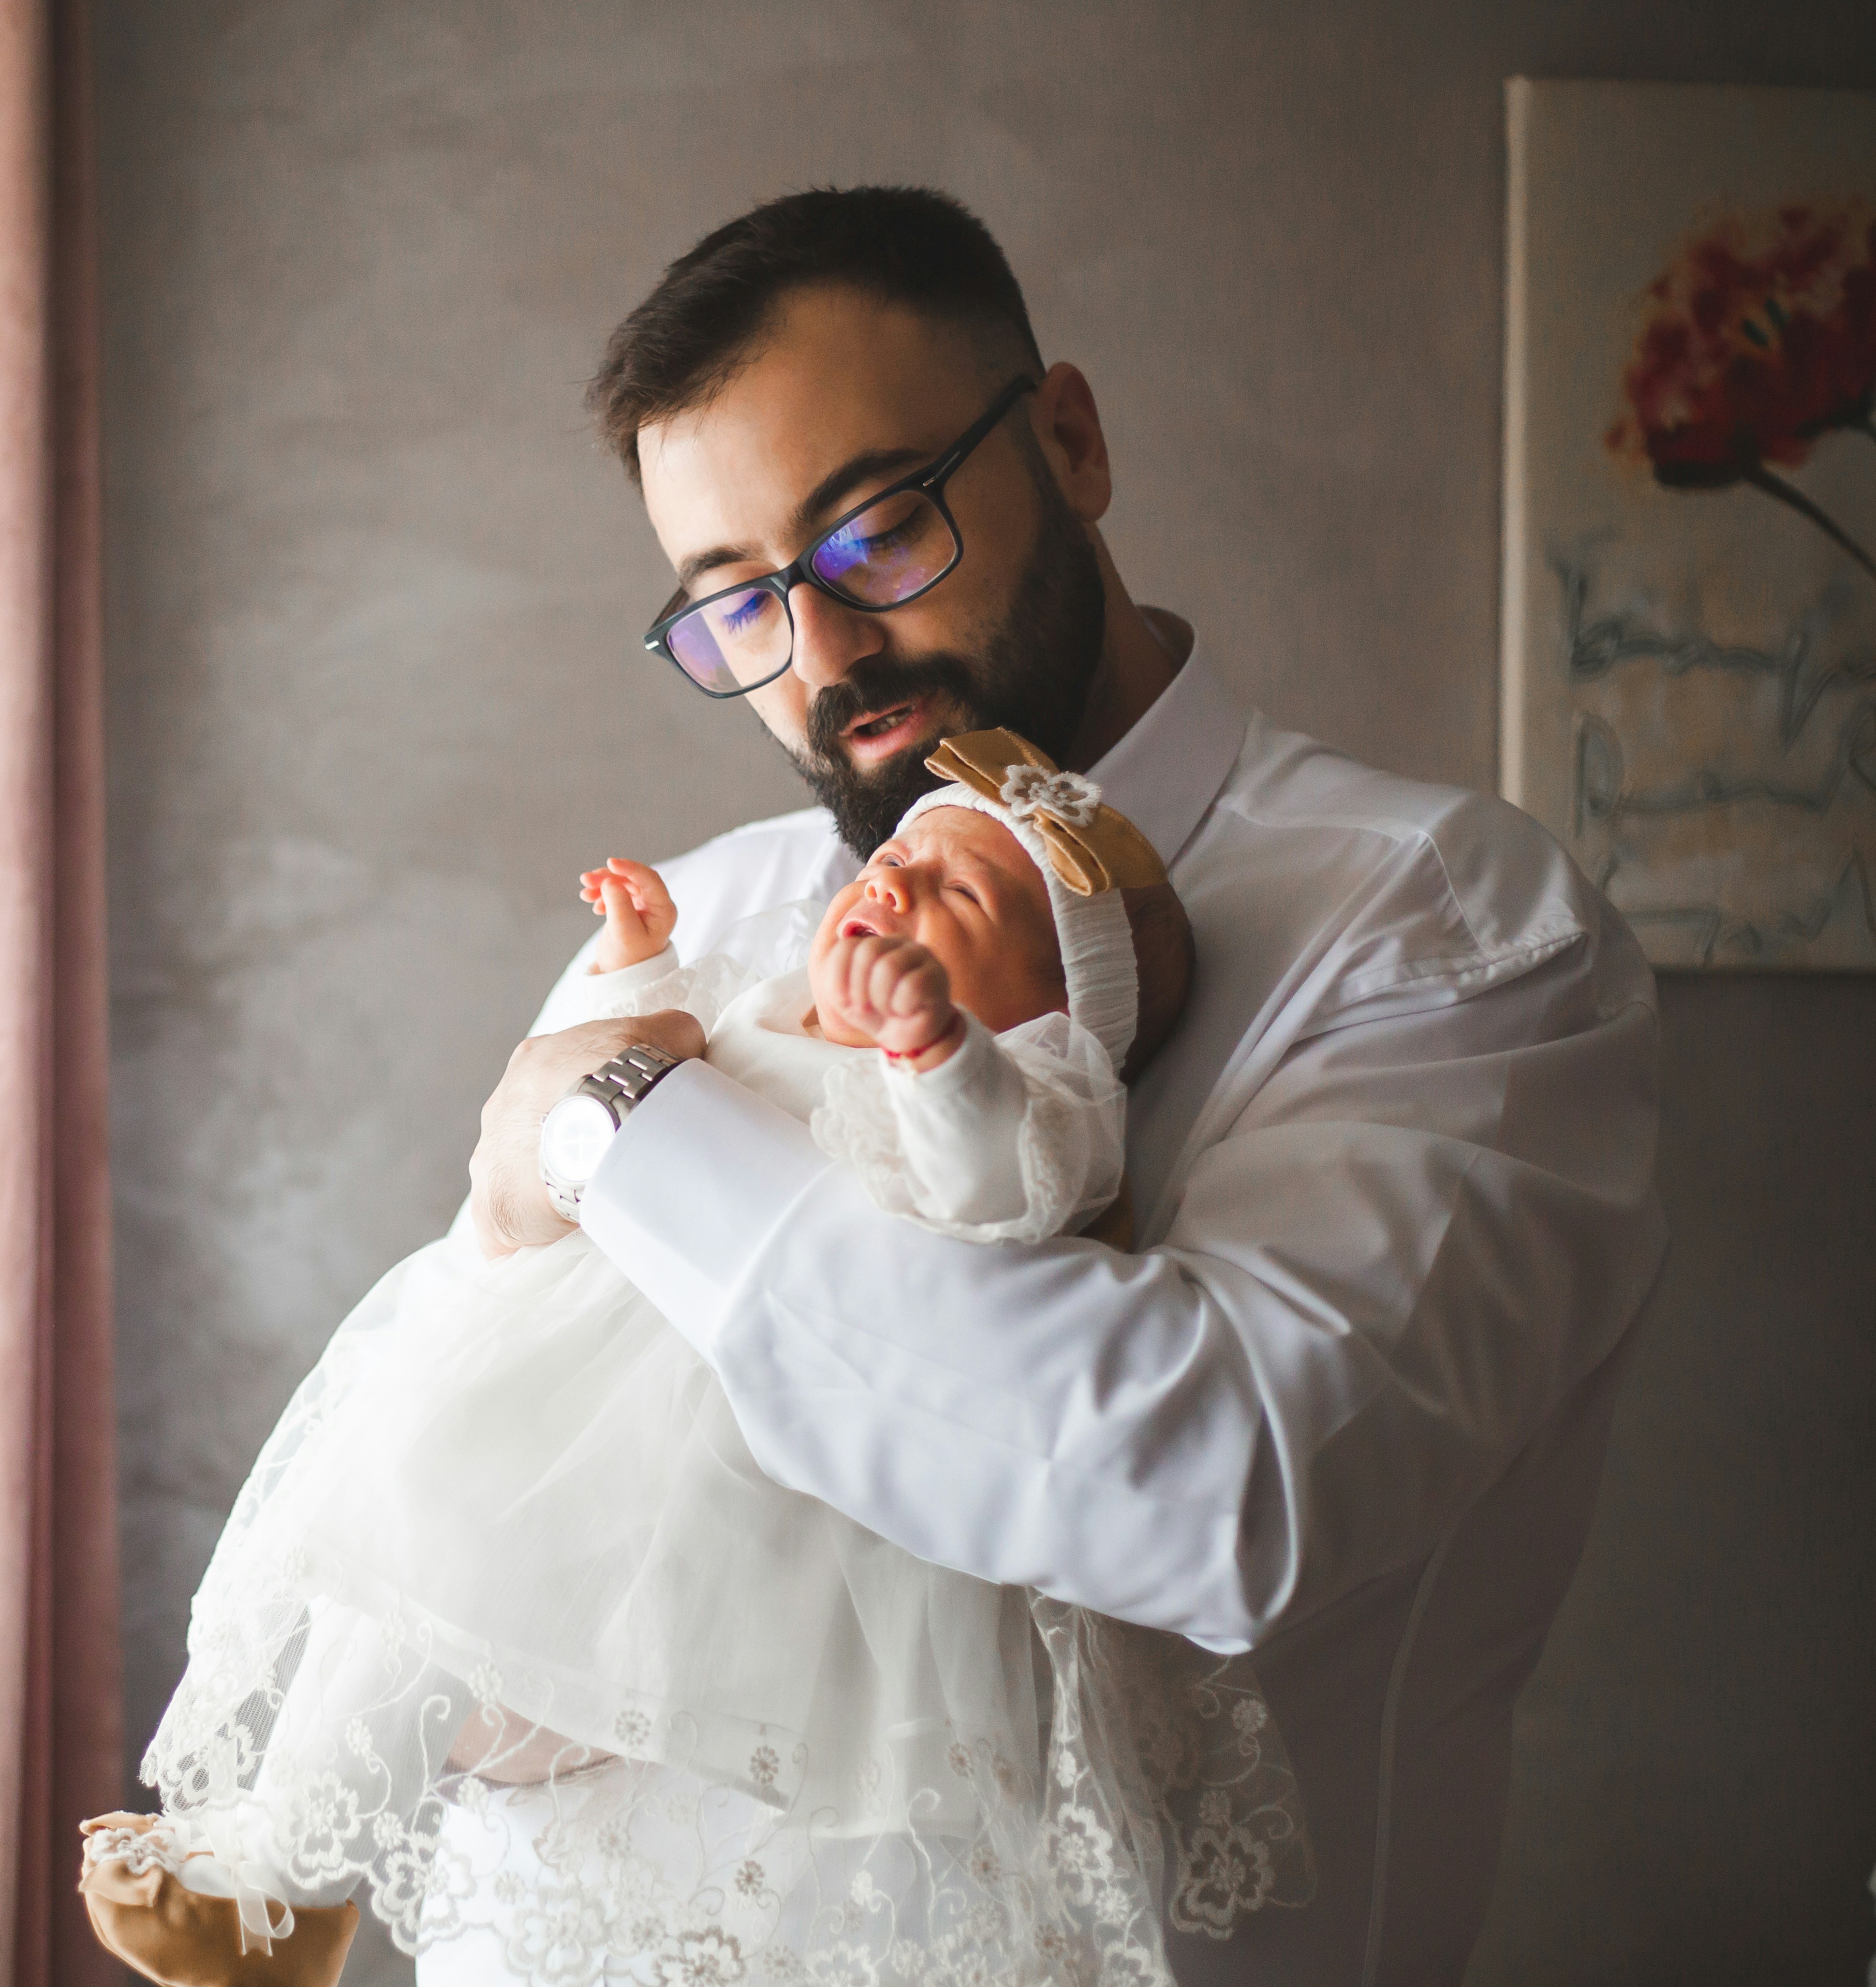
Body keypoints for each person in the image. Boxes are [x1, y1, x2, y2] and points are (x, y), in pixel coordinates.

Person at [440, 187, 1666, 1986]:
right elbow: (482, 1532)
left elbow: (1214, 1493)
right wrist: (504, 1214)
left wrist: (619, 1138)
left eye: (876, 533)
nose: (824, 656)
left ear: (1071, 443)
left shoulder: (1451, 926)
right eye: (740, 607)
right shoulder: (700, 920)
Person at [84, 730, 1314, 1987]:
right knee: (399, 1546)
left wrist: (941, 1060)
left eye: (959, 891)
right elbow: (643, 1047)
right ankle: (286, 1871)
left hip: (720, 1506)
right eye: (893, 861)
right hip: (571, 1416)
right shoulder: (770, 995)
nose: (892, 885)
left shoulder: (1033, 1095)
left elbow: (999, 1187)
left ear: (1054, 1012)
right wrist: (639, 957)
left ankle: (293, 1878)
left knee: (475, 1587)